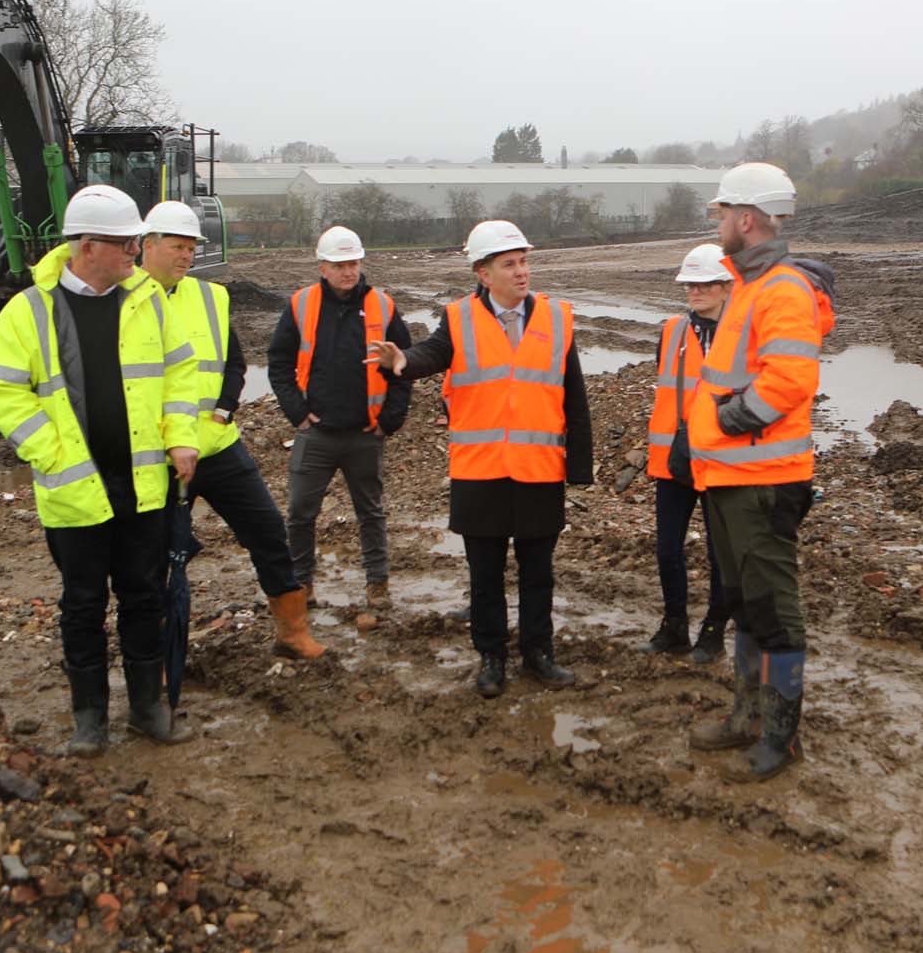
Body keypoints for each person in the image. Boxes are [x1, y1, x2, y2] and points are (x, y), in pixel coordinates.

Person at [0, 184, 200, 754]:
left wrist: (182, 440)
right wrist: (53, 453)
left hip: (143, 486)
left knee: (143, 597)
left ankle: (148, 708)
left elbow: (180, 377)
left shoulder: (147, 300)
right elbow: (2, 392)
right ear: (86, 246)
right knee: (82, 604)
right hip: (74, 492)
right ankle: (89, 719)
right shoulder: (28, 311)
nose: (135, 251)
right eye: (125, 243)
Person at [373, 220, 593, 698]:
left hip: (538, 469)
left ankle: (539, 653)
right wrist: (401, 362)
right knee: (485, 575)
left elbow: (574, 396)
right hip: (480, 470)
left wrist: (580, 466)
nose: (522, 272)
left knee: (539, 573)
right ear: (483, 272)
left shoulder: (557, 320)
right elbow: (431, 354)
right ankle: (492, 656)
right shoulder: (459, 319)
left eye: (524, 262)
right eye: (509, 264)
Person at [683, 163, 834, 782]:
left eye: (722, 214)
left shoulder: (781, 289)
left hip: (762, 481)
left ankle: (781, 736)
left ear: (746, 219)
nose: (717, 223)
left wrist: (726, 422)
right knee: (745, 600)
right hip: (728, 479)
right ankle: (745, 715)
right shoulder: (748, 285)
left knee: (775, 611)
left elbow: (791, 379)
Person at [140, 201, 309, 704]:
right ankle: (162, 659)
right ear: (146, 246)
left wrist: (226, 408)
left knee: (267, 532)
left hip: (217, 447)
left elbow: (234, 361)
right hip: (160, 457)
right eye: (177, 246)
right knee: (159, 562)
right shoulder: (126, 303)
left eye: (192, 247)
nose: (187, 256)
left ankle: (292, 632)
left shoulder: (210, 297)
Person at [265, 225, 413, 653]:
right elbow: (278, 361)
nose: (349, 271)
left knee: (371, 512)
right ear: (323, 267)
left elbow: (404, 366)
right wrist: (297, 411)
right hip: (318, 433)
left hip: (366, 433)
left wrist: (390, 419)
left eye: (353, 263)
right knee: (299, 513)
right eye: (340, 265)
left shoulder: (382, 306)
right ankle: (301, 584)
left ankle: (377, 584)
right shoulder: (301, 304)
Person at [640, 243, 734, 663]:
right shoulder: (672, 331)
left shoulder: (744, 333)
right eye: (689, 285)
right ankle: (674, 625)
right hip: (675, 459)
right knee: (666, 549)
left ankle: (713, 632)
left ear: (726, 286)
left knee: (721, 554)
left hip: (725, 462)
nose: (695, 292)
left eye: (704, 284)